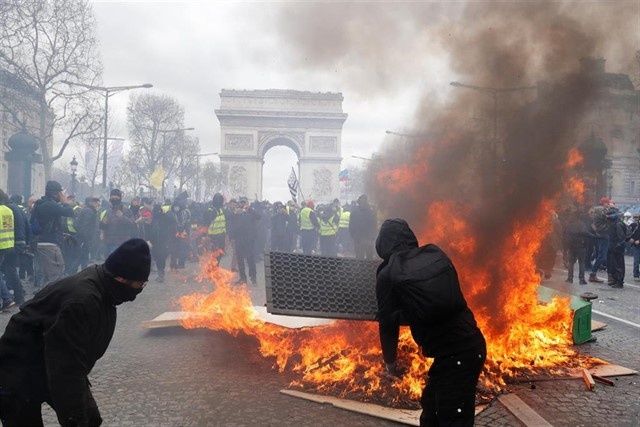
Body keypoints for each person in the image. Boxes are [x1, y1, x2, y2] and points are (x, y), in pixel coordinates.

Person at [0, 238, 151, 426]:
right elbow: (65, 369)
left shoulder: (104, 286)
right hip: (17, 368)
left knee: (91, 419)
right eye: (140, 285)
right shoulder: (82, 302)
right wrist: (75, 419)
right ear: (122, 279)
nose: (140, 290)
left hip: (54, 361)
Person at [375, 219, 486, 427]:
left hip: (457, 356)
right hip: (470, 345)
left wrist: (390, 364)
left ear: (382, 243)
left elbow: (388, 324)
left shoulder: (388, 273)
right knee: (431, 412)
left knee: (451, 420)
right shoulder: (434, 253)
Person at [31, 181, 75, 287]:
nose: (62, 195)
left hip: (44, 242)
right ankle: (46, 299)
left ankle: (45, 297)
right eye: (61, 193)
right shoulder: (50, 205)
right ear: (56, 193)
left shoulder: (41, 203)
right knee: (55, 275)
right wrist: (65, 202)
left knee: (51, 274)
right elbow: (69, 212)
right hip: (49, 244)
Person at [349, 194, 377, 260]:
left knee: (361, 259)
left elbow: (351, 227)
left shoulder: (354, 213)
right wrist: (372, 237)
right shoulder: (371, 212)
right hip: (364, 239)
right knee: (367, 260)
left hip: (361, 239)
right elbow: (374, 226)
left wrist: (354, 237)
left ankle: (361, 270)